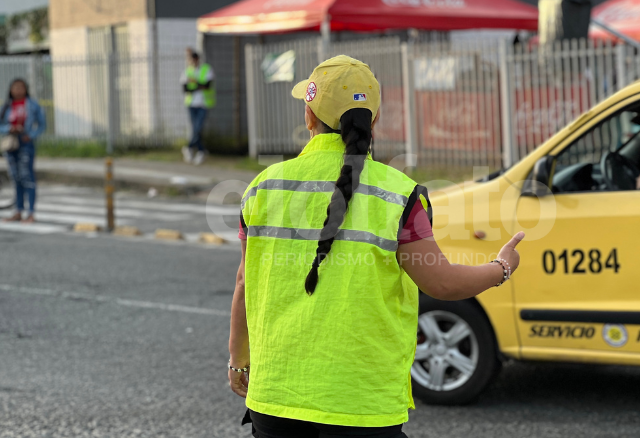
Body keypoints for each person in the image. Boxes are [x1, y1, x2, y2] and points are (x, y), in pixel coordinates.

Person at [228, 55, 525, 438]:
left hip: (276, 398)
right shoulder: (399, 194)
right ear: (375, 119)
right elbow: (443, 284)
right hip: (361, 403)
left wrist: (239, 361)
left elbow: (242, 285)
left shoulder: (263, 186)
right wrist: (501, 267)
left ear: (309, 116)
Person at [0, 78, 46, 223]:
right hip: (11, 144)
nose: (18, 90)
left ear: (26, 89)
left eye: (21, 87)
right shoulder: (6, 106)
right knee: (15, 178)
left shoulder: (32, 105)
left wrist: (31, 135)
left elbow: (42, 125)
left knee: (28, 178)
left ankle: (31, 212)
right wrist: (8, 128)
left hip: (25, 144)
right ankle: (18, 210)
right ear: (10, 90)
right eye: (15, 87)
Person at [180, 49, 215, 165]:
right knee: (195, 129)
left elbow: (208, 86)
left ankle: (189, 147)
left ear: (198, 59)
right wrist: (199, 85)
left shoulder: (206, 69)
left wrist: (194, 82)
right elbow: (185, 89)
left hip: (203, 104)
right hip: (191, 105)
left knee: (197, 128)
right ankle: (201, 151)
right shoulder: (187, 71)